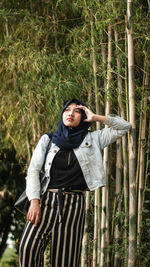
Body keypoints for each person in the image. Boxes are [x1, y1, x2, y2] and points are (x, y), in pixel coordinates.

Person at [19, 98, 131, 267]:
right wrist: (34, 201)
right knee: (27, 248)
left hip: (73, 205)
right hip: (44, 201)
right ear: (62, 114)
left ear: (83, 116)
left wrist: (96, 117)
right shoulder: (48, 140)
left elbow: (125, 126)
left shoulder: (94, 139)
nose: (70, 113)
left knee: (65, 260)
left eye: (77, 111)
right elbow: (33, 170)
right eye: (67, 110)